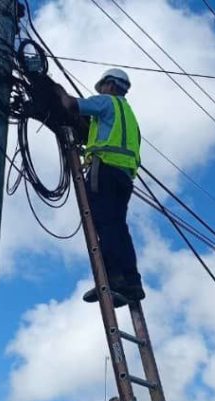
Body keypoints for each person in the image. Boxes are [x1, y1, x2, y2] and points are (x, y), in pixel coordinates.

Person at [57, 68, 144, 306]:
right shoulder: (130, 116)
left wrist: (58, 91)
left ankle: (112, 279)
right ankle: (132, 281)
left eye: (104, 85)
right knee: (118, 226)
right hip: (125, 177)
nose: (102, 89)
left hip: (104, 168)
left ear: (111, 85)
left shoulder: (106, 103)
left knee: (104, 223)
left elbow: (71, 105)